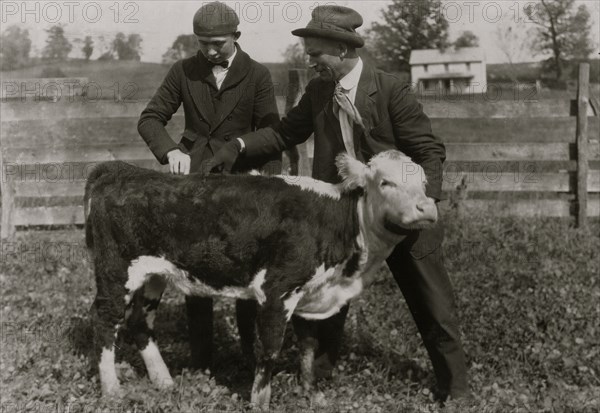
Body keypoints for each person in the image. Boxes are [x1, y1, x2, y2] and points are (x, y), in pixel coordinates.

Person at [200, 5, 468, 401]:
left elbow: (429, 149)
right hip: (343, 220)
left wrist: (425, 199)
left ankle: (456, 389)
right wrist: (237, 146)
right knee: (330, 296)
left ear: (342, 50)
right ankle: (320, 377)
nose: (310, 63)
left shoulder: (390, 90)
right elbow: (285, 133)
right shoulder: (320, 91)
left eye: (315, 55)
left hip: (399, 215)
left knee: (432, 302)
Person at [137, 1, 281, 370]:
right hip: (194, 187)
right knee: (194, 267)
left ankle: (250, 354)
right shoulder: (183, 70)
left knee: (249, 269)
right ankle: (202, 359)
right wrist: (170, 152)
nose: (210, 51)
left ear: (236, 36)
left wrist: (268, 182)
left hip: (241, 186)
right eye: (202, 44)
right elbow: (151, 118)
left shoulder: (258, 75)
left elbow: (271, 133)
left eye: (218, 43)